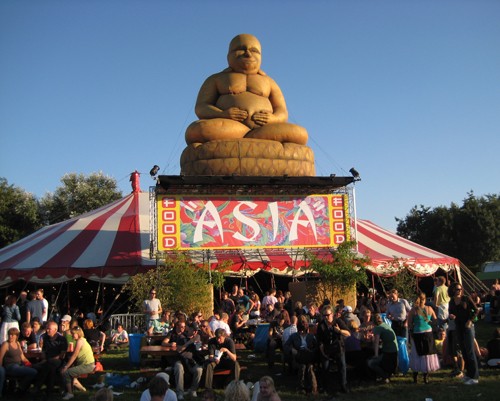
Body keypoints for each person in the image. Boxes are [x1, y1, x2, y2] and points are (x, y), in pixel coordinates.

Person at [185, 34, 308, 146]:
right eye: (241, 49)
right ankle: (250, 138)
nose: (248, 54)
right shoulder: (216, 79)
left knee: (300, 133)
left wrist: (273, 119)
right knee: (197, 130)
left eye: (254, 51)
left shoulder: (269, 81)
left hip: (265, 130)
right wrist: (222, 114)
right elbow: (201, 107)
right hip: (230, 128)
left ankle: (251, 137)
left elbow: (282, 111)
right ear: (229, 55)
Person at [161, 319, 202, 400]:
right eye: (193, 330)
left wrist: (197, 344)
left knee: (199, 369)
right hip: (180, 359)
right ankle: (180, 392)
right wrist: (189, 342)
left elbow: (198, 347)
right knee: (179, 368)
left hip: (190, 361)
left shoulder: (196, 336)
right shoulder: (180, 337)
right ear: (189, 329)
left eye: (196, 331)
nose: (195, 332)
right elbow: (179, 349)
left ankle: (193, 390)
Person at [449, 283, 480, 385]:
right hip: (458, 327)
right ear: (453, 290)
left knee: (470, 351)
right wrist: (451, 316)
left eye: (460, 289)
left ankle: (475, 377)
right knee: (464, 351)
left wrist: (470, 320)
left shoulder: (466, 298)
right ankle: (468, 375)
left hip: (468, 326)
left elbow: (476, 310)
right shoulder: (452, 301)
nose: (459, 291)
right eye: (457, 289)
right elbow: (450, 313)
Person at [316, 304, 350, 394]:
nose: (326, 317)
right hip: (327, 348)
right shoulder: (321, 325)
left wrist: (339, 331)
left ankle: (343, 385)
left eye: (328, 315)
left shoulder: (338, 321)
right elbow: (319, 340)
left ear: (332, 314)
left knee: (342, 365)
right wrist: (322, 351)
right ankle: (325, 386)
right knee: (325, 366)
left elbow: (348, 333)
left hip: (338, 347)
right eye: (324, 315)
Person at [408, 292, 440, 383]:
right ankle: (426, 377)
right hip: (428, 333)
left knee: (416, 354)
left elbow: (410, 324)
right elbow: (435, 320)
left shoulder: (413, 310)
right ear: (425, 299)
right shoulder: (429, 308)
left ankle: (415, 378)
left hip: (418, 333)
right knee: (427, 354)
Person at [32, 320, 68, 400]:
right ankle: (48, 391)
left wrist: (49, 360)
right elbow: (44, 351)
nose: (47, 330)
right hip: (48, 362)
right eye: (47, 328)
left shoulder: (61, 339)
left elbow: (62, 354)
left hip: (58, 360)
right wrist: (44, 358)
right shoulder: (45, 337)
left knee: (50, 365)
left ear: (55, 330)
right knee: (50, 368)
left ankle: (38, 387)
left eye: (49, 329)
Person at [60, 326, 95, 400]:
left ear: (78, 333)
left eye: (73, 334)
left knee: (67, 372)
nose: (72, 335)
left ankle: (70, 393)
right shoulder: (82, 340)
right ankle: (82, 389)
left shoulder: (80, 341)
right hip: (89, 364)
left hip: (87, 365)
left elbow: (74, 355)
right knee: (72, 374)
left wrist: (66, 367)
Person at [285, 317, 318, 394]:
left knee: (310, 367)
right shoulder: (294, 336)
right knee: (302, 367)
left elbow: (316, 347)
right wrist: (292, 350)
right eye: (300, 331)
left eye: (303, 331)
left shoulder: (311, 336)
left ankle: (313, 388)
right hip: (299, 355)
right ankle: (301, 387)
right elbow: (286, 345)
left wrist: (311, 350)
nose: (301, 332)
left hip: (308, 355)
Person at [0, 327, 37, 395]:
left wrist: (29, 363)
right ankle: (20, 389)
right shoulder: (5, 344)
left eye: (12, 335)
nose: (10, 336)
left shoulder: (17, 343)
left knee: (34, 370)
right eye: (9, 334)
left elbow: (22, 357)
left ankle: (21, 388)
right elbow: (0, 358)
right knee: (33, 372)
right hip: (10, 366)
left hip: (19, 365)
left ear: (16, 336)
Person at [368, 313, 398, 383]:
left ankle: (384, 376)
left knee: (370, 363)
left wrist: (376, 354)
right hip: (394, 351)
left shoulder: (377, 328)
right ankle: (384, 375)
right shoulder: (384, 325)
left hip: (388, 352)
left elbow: (376, 343)